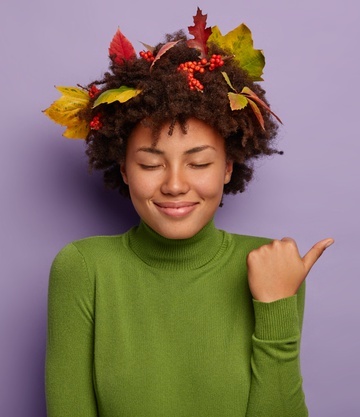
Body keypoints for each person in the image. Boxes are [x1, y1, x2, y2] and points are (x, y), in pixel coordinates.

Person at [43, 8, 332, 417]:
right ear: (123, 168)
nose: (175, 184)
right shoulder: (83, 269)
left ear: (228, 166)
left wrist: (276, 308)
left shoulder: (272, 266)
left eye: (198, 163)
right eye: (149, 164)